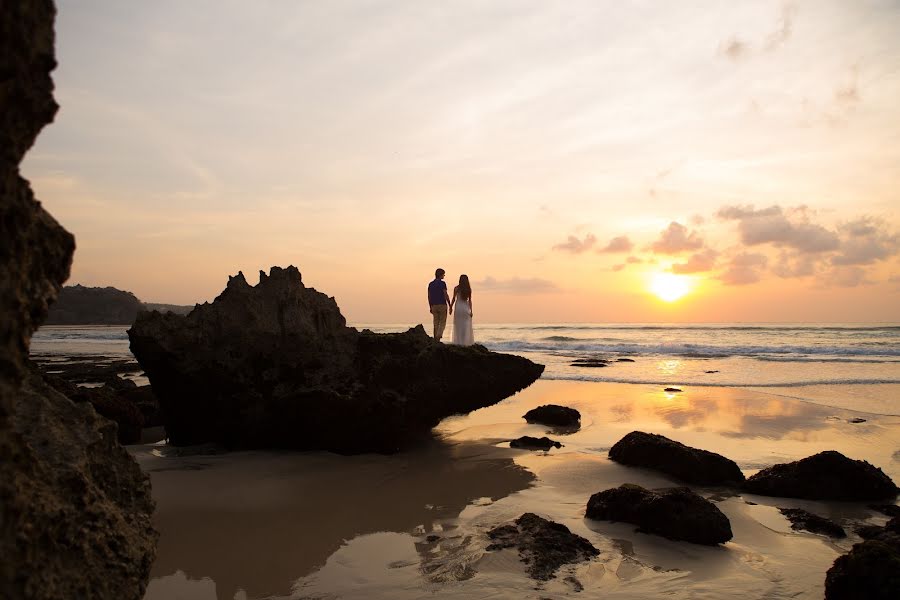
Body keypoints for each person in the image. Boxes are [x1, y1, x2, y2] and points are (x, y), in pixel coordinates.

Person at [427, 268, 451, 341]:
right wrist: (449, 304)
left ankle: (436, 339)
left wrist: (430, 306)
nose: (444, 276)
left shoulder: (431, 284)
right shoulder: (442, 283)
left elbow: (429, 296)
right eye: (443, 274)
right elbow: (445, 294)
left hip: (434, 305)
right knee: (442, 322)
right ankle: (438, 335)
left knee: (436, 322)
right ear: (440, 275)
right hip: (442, 304)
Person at [451, 274, 474, 346]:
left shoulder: (456, 288)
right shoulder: (468, 289)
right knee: (465, 326)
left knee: (458, 325)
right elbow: (470, 301)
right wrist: (471, 311)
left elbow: (454, 299)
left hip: (458, 308)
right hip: (465, 308)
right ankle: (464, 342)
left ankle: (459, 342)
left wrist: (451, 307)